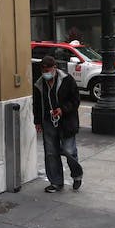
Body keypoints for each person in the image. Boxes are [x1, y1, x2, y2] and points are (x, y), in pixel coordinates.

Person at [33, 55, 83, 192]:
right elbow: (37, 104)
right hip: (48, 121)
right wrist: (37, 121)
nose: (46, 73)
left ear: (54, 68)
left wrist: (62, 110)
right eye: (43, 71)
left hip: (66, 122)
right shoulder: (39, 84)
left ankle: (77, 175)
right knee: (51, 152)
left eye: (48, 70)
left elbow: (76, 100)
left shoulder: (67, 80)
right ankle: (56, 182)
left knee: (69, 150)